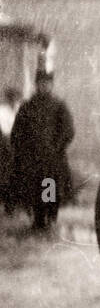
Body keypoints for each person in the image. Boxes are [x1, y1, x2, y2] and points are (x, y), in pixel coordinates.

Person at [10, 66, 74, 231]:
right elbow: (17, 132)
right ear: (36, 84)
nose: (44, 86)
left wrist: (56, 148)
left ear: (51, 85)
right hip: (31, 160)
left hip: (52, 159)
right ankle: (38, 221)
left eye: (47, 83)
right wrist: (23, 151)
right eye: (40, 83)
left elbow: (68, 130)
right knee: (34, 190)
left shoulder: (59, 106)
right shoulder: (27, 106)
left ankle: (50, 218)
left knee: (50, 189)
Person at [0, 86, 18, 215]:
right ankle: (8, 206)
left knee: (17, 176)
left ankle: (15, 204)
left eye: (15, 98)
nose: (13, 101)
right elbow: (4, 130)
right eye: (11, 98)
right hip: (5, 147)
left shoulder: (20, 110)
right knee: (6, 177)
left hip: (18, 146)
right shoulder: (2, 111)